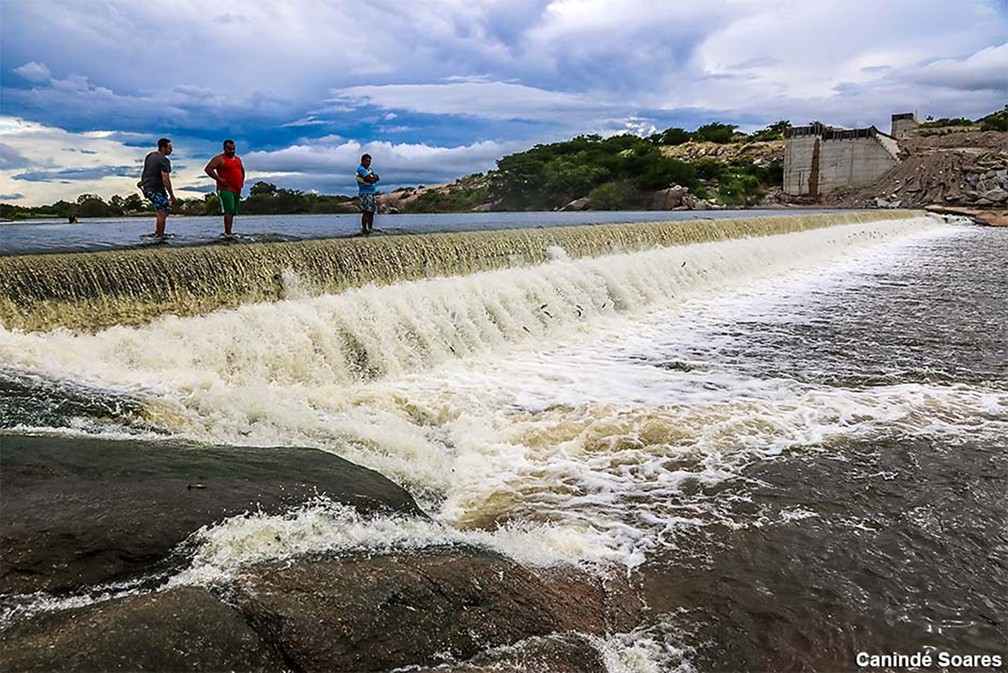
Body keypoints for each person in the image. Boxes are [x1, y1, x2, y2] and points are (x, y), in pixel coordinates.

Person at [204, 139, 246, 237]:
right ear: (224, 148)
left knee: (233, 211)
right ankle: (228, 233)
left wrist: (242, 181)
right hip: (225, 188)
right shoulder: (219, 159)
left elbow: (242, 170)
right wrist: (219, 179)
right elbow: (208, 169)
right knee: (229, 210)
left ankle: (229, 231)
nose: (231, 151)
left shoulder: (238, 159)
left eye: (233, 149)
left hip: (237, 188)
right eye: (229, 149)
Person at [138, 137, 176, 238]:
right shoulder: (164, 160)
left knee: (161, 211)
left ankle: (158, 233)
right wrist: (172, 195)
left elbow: (145, 171)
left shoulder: (149, 156)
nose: (171, 150)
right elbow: (165, 179)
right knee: (162, 212)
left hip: (148, 188)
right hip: (156, 189)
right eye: (169, 148)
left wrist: (143, 182)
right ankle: (160, 236)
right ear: (163, 148)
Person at [356, 153, 380, 235]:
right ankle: (364, 229)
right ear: (362, 161)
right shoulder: (361, 169)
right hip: (365, 193)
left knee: (372, 211)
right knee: (366, 211)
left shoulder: (369, 169)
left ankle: (370, 228)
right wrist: (373, 178)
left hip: (371, 192)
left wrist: (373, 178)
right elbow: (369, 179)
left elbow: (375, 177)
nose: (368, 163)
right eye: (367, 161)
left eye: (369, 161)